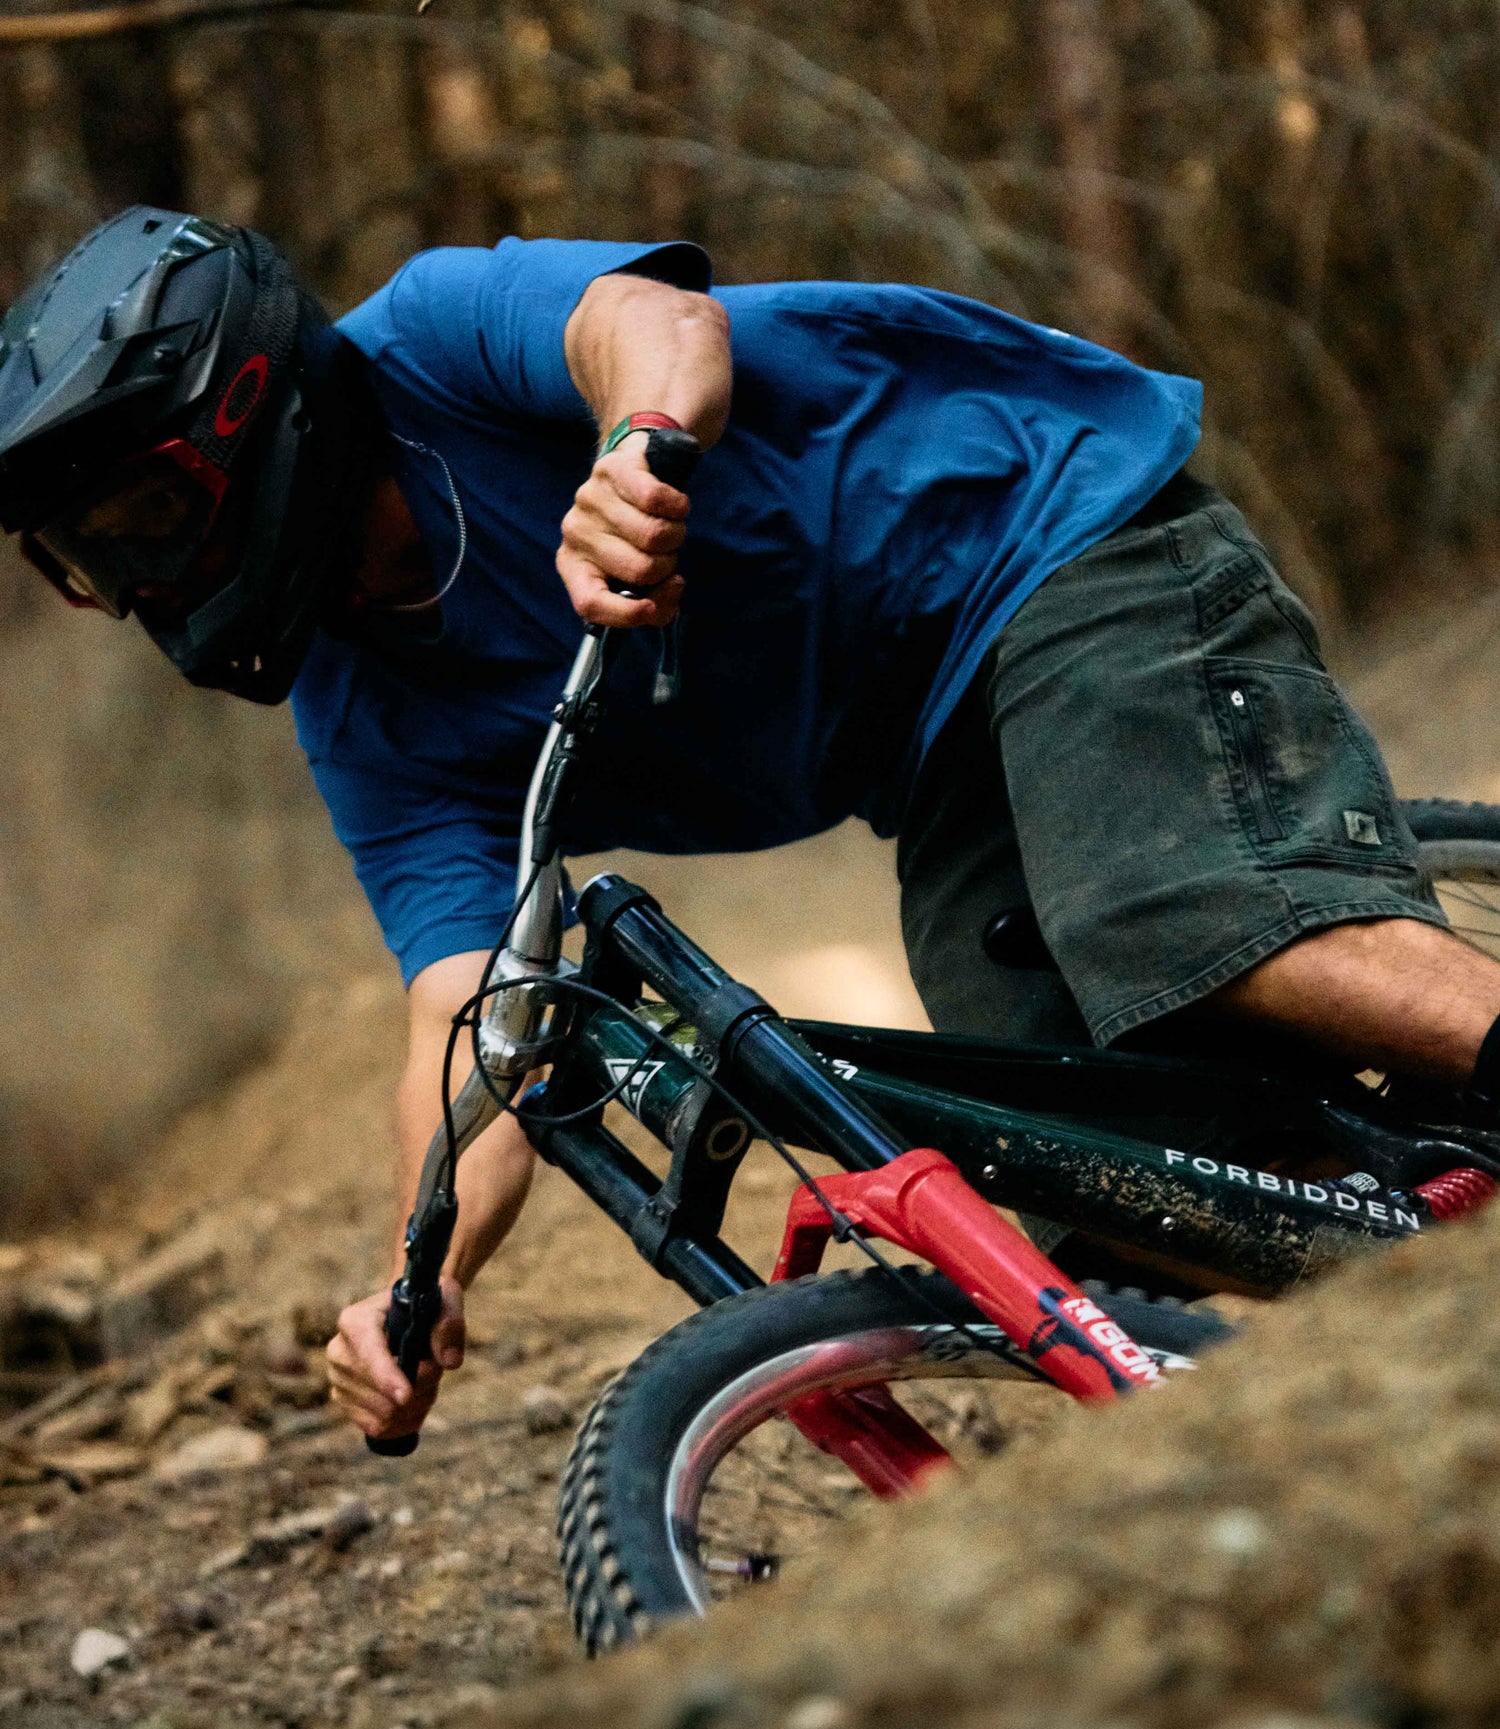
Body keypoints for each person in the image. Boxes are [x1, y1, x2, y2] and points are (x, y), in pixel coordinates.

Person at [4, 207, 1499, 1446]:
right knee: (1111, 1187)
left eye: (131, 524)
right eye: (85, 559)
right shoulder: (368, 719)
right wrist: (424, 1274)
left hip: (1052, 536)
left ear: (246, 409)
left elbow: (655, 329)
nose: (127, 584)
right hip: (940, 757)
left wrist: (638, 448)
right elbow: (467, 1024)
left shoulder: (437, 338)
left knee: (1192, 920)